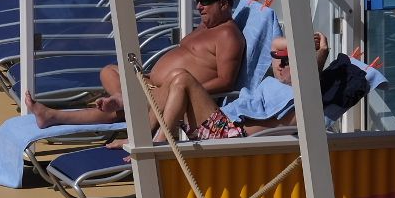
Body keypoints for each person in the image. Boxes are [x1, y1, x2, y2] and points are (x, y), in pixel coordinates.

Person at [27, 0, 244, 129]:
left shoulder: (227, 35)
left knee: (120, 110)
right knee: (109, 71)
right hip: (154, 85)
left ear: (224, 4)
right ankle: (124, 99)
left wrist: (183, 90)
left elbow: (226, 81)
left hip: (173, 92)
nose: (199, 7)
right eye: (197, 1)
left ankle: (54, 116)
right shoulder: (205, 27)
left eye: (205, 2)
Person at [154, 33, 375, 141]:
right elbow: (277, 42)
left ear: (302, 68)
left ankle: (158, 144)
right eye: (278, 59)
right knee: (175, 78)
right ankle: (146, 137)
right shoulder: (276, 84)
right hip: (219, 125)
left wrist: (321, 53)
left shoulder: (301, 102)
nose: (280, 64)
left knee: (181, 78)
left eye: (288, 61)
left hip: (228, 135)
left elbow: (307, 84)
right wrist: (304, 41)